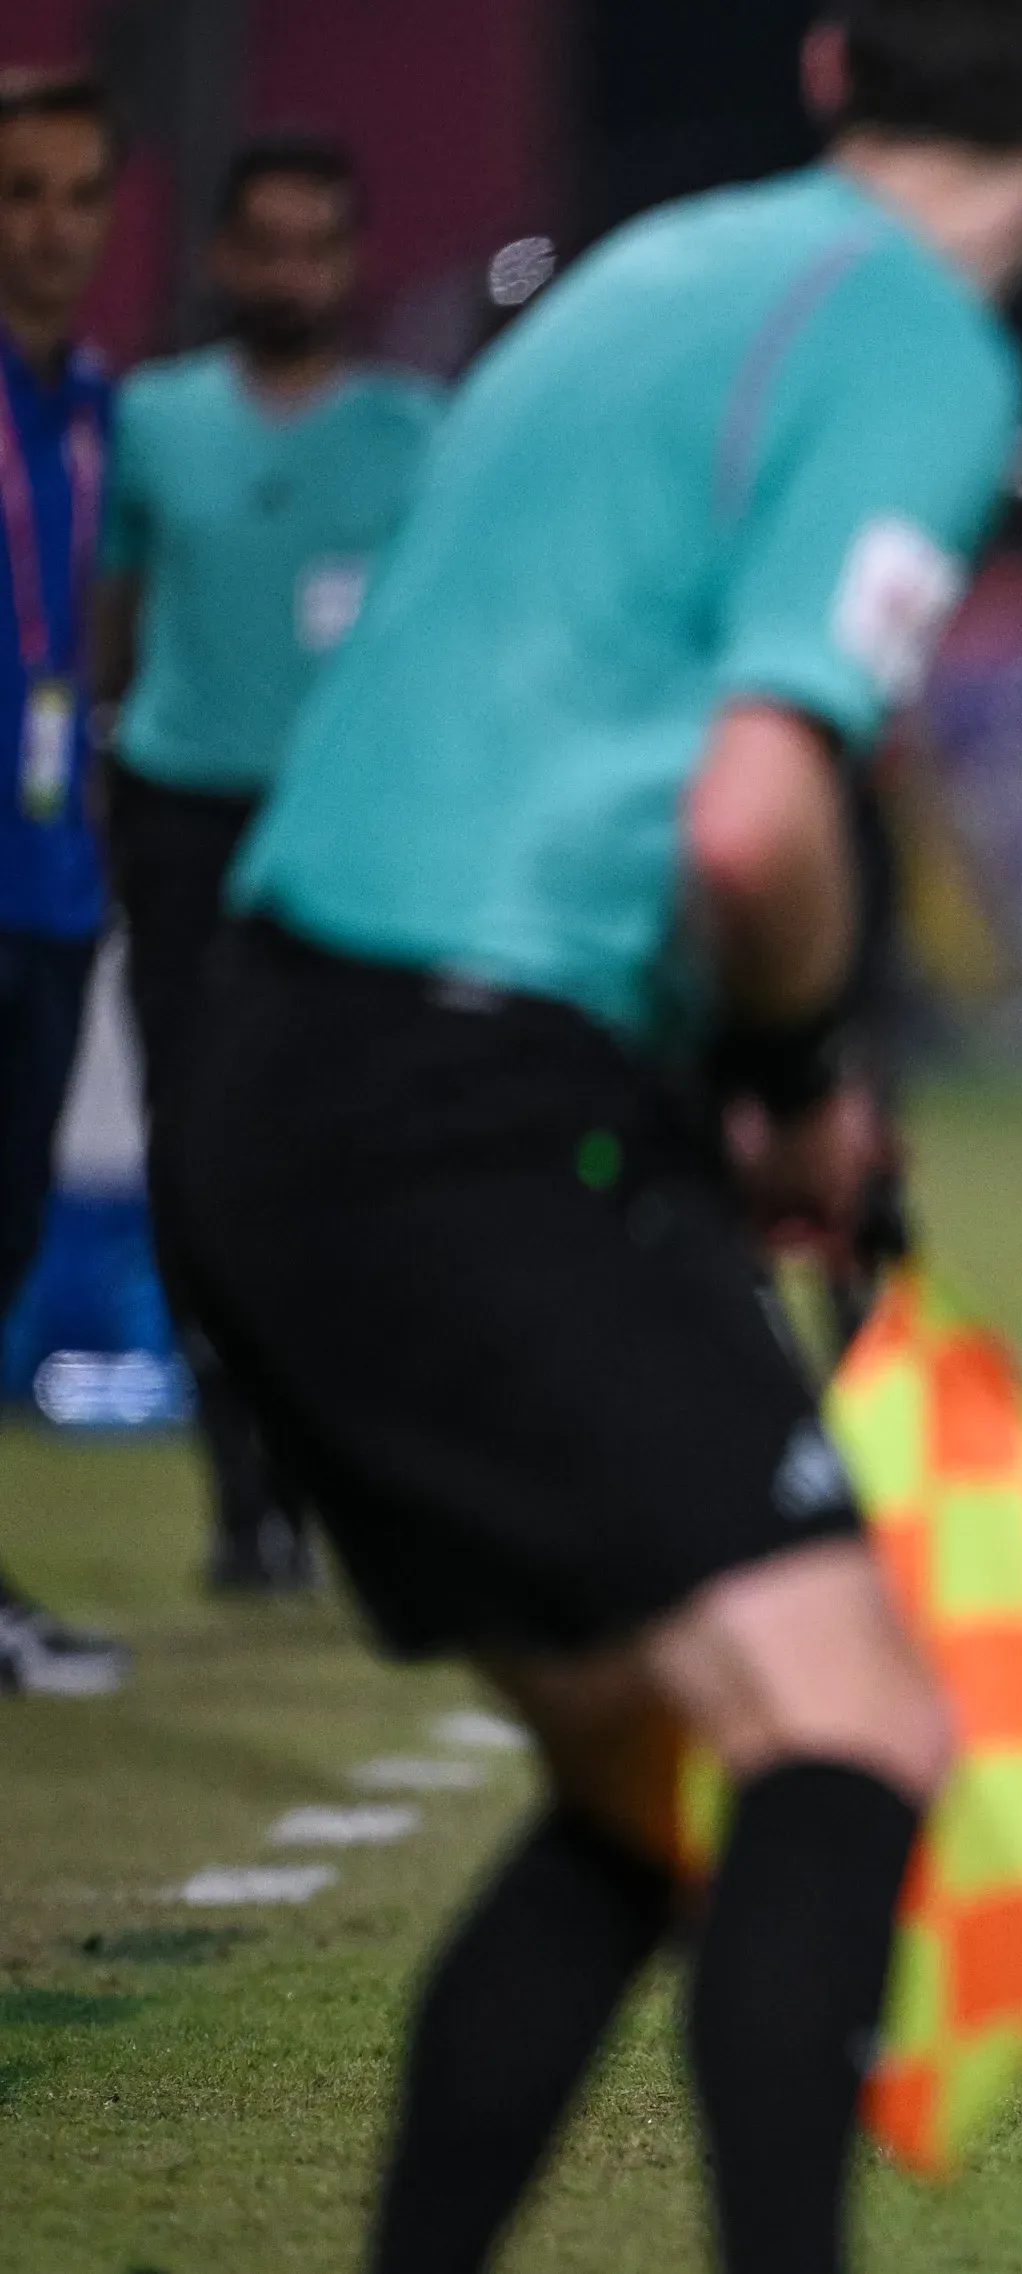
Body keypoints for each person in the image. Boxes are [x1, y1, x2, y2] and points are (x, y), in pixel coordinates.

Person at [162, 7, 1022, 2267]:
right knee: (850, 1737)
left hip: (283, 1070)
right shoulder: (921, 348)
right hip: (472, 1099)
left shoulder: (651, 275)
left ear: (825, 67)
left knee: (649, 1785)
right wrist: (798, 1085)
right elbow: (750, 813)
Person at [92, 131, 441, 1594]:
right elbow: (101, 620)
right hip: (185, 822)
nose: (291, 272)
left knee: (361, 1160)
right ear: (222, 256)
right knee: (197, 1160)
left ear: (352, 262)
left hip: (353, 835)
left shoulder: (419, 436)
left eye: (318, 244)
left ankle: (349, 1465)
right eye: (266, 243)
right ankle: (243, 1486)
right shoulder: (151, 425)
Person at [0, 67, 126, 1699]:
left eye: (77, 195)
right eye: (20, 190)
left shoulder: (103, 415)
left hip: (51, 886)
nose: (50, 226)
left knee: (12, 1231)